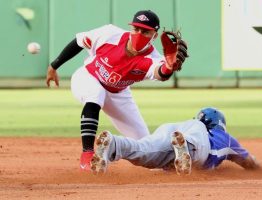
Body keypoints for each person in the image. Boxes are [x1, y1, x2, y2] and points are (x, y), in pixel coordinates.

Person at [45, 10, 188, 171]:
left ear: (154, 35)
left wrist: (168, 67)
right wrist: (54, 65)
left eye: (145, 31)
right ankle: (87, 154)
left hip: (119, 93)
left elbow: (160, 72)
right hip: (87, 76)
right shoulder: (109, 34)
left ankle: (170, 164)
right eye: (136, 29)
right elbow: (79, 42)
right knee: (96, 94)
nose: (139, 34)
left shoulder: (153, 58)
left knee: (145, 144)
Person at [90, 107, 260, 175]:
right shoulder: (223, 137)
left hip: (171, 128)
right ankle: (185, 145)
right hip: (193, 136)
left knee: (144, 151)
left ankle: (114, 144)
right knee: (198, 147)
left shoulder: (191, 122)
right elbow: (248, 161)